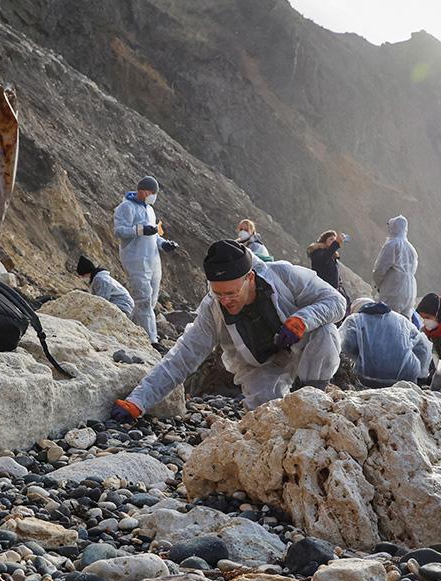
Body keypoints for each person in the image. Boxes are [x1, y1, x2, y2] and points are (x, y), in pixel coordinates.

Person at [110, 240, 346, 420]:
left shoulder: (284, 275)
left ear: (250, 277)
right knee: (267, 418)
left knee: (325, 333)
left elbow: (336, 302)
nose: (225, 300)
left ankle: (313, 396)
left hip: (299, 343)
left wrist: (302, 320)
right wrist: (138, 401)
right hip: (258, 365)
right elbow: (182, 358)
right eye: (218, 293)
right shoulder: (213, 309)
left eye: (232, 293)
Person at [112, 175, 178, 347]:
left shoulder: (150, 210)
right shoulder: (126, 207)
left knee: (151, 299)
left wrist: (165, 244)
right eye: (152, 193)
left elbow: (154, 235)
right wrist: (141, 230)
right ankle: (152, 340)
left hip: (153, 259)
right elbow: (119, 231)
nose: (153, 196)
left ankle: (131, 329)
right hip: (135, 259)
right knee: (144, 299)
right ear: (143, 190)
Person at [339, 297, 433, 387]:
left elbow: (347, 346)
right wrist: (421, 374)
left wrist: (360, 359)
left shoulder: (355, 320)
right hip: (406, 376)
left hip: (368, 377)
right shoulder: (402, 320)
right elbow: (423, 346)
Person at [372, 214, 419, 319]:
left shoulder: (392, 244)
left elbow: (380, 268)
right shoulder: (411, 249)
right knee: (404, 325)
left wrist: (378, 284)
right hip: (410, 291)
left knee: (388, 321)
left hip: (393, 290)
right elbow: (413, 270)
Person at [307, 230, 345, 295]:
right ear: (324, 241)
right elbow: (324, 258)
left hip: (333, 291)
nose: (333, 241)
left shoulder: (332, 257)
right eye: (331, 239)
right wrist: (336, 243)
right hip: (322, 290)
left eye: (335, 239)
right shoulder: (318, 252)